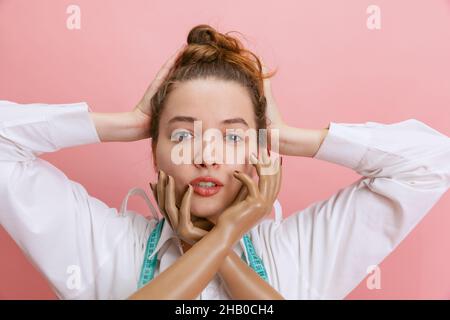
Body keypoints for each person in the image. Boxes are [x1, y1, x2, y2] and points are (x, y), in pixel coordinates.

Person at [0, 25, 449, 300]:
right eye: (181, 135)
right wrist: (127, 122)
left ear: (258, 149)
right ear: (154, 148)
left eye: (232, 136)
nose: (207, 155)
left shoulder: (297, 251)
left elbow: (433, 161)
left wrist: (289, 137)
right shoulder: (104, 246)